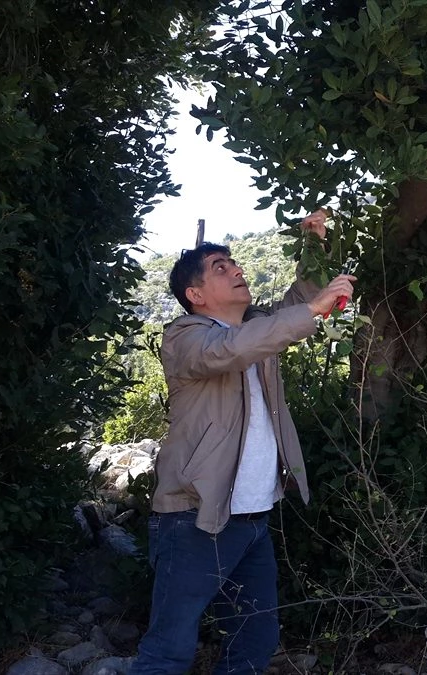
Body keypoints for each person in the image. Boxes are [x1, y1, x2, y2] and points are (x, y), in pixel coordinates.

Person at [130, 209, 355, 674]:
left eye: (234, 264)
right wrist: (312, 311)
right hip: (197, 515)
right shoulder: (184, 337)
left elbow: (294, 307)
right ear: (195, 295)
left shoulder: (254, 329)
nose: (236, 270)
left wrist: (312, 246)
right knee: (169, 647)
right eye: (220, 268)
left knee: (255, 637)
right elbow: (231, 350)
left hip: (254, 515)